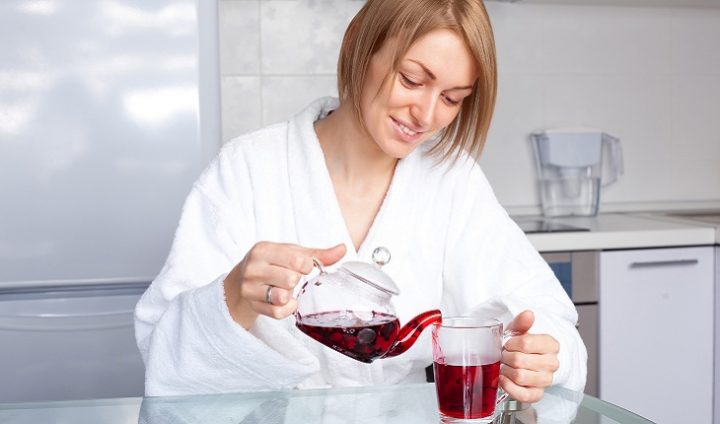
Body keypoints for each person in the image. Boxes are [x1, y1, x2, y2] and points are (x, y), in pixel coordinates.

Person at [134, 0, 587, 402]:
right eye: (412, 80)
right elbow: (165, 357)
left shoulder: (452, 181)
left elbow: (546, 317)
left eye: (452, 99)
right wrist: (235, 293)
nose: (427, 116)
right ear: (359, 47)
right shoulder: (249, 168)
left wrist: (543, 355)